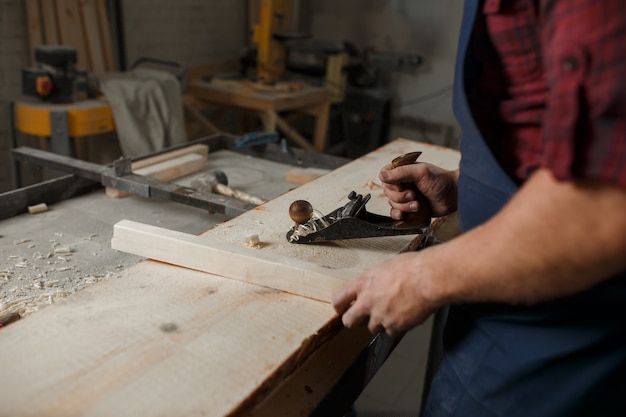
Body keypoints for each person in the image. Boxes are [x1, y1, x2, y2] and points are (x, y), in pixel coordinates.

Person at [331, 0, 626, 415]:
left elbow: (605, 206)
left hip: (566, 348)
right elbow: (541, 136)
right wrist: (461, 187)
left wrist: (424, 279)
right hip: (497, 305)